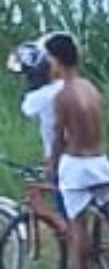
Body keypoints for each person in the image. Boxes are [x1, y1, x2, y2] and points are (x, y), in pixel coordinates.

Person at [46, 35, 109, 269]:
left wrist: (53, 165)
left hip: (77, 164)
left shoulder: (62, 95)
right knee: (108, 214)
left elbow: (57, 136)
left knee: (77, 225)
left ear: (56, 60)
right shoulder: (91, 87)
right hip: (101, 160)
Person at [13, 36, 70, 233]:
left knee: (61, 209)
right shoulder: (64, 86)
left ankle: (70, 237)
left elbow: (26, 108)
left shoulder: (38, 98)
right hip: (83, 150)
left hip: (60, 155)